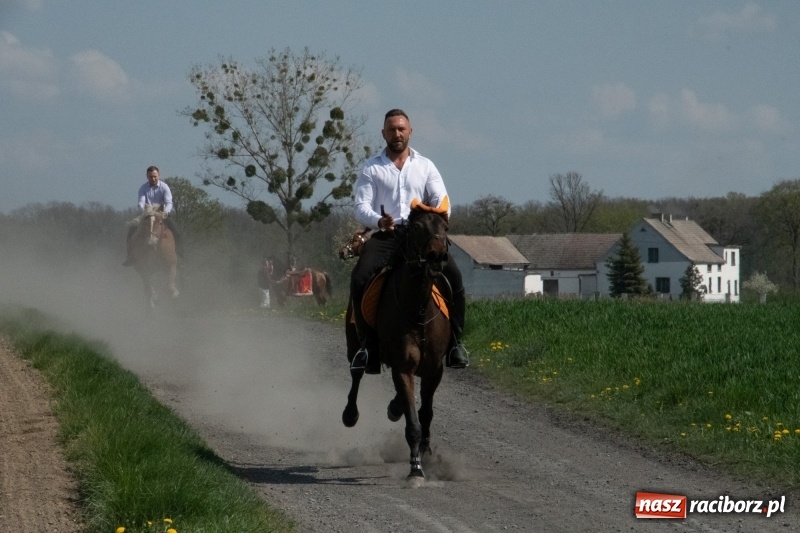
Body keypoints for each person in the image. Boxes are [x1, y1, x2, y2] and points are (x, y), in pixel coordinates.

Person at [349, 109, 469, 374]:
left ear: (410, 132)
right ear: (384, 133)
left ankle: (456, 345)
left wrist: (431, 220)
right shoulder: (372, 167)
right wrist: (378, 221)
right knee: (359, 278)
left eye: (401, 129)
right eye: (392, 129)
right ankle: (367, 347)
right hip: (386, 236)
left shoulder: (426, 166)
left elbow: (442, 201)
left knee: (456, 278)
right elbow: (360, 207)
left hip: (420, 238)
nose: (397, 134)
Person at [122, 165, 182, 266]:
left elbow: (169, 202)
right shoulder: (143, 188)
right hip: (147, 214)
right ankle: (130, 256)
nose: (153, 178)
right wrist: (145, 210)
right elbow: (141, 202)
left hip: (162, 214)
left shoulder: (164, 187)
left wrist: (165, 212)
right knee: (131, 231)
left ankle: (180, 257)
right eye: (151, 176)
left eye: (155, 176)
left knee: (177, 233)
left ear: (159, 175)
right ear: (147, 176)